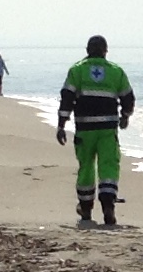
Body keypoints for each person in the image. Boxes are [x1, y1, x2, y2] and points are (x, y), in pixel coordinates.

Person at [56, 35, 134, 228]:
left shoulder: (77, 70)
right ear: (105, 50)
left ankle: (86, 209)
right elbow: (128, 98)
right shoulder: (116, 72)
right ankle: (108, 206)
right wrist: (125, 116)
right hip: (107, 128)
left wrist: (61, 124)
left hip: (85, 128)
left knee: (86, 168)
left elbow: (67, 98)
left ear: (87, 50)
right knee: (109, 166)